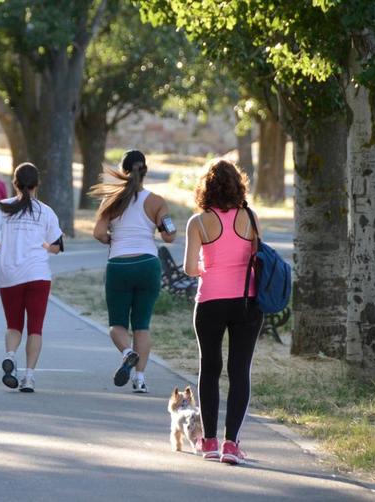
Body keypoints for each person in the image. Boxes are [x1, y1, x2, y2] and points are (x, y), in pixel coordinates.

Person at [183, 159, 263, 465]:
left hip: (210, 301)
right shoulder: (251, 218)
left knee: (210, 369)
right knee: (240, 371)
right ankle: (232, 445)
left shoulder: (198, 222)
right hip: (247, 301)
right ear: (238, 185)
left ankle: (210, 443)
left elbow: (191, 269)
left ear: (207, 187)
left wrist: (207, 267)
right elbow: (257, 259)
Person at [90, 150, 176, 394]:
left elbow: (98, 233)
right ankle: (140, 380)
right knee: (142, 325)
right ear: (145, 171)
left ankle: (128, 353)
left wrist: (112, 240)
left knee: (116, 324)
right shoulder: (157, 201)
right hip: (148, 264)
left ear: (123, 172)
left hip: (119, 265)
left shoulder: (111, 201)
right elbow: (170, 235)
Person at [0, 162, 63, 393]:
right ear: (37, 184)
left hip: (9, 274)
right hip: (38, 275)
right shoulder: (46, 211)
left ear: (14, 183)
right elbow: (57, 245)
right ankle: (29, 377)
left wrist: (0, 247)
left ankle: (10, 356)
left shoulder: (3, 207)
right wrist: (47, 248)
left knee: (14, 325)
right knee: (35, 328)